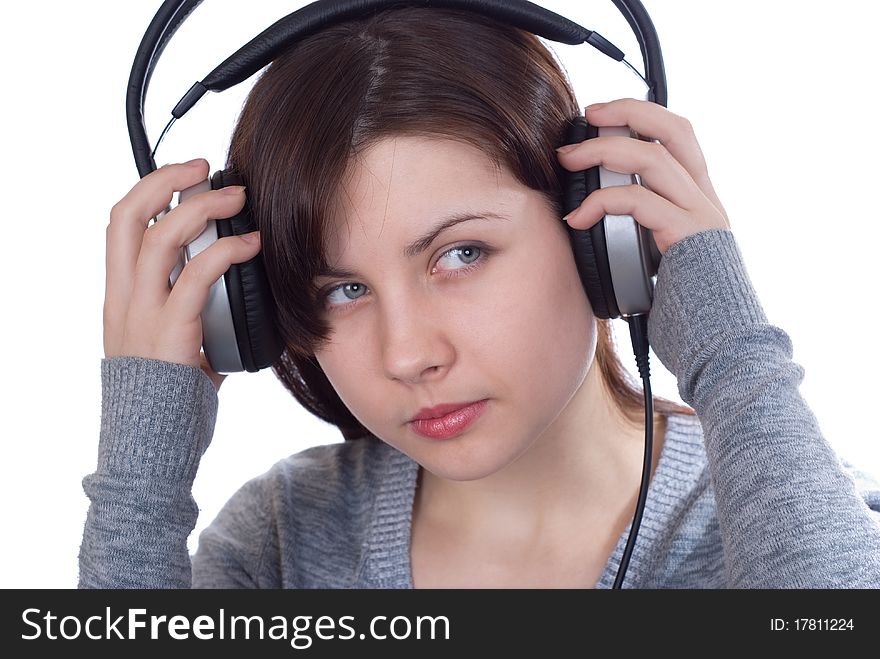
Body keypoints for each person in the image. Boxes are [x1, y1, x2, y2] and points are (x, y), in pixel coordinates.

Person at [80, 7, 880, 589]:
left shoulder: (801, 512)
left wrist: (729, 349)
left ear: (603, 232)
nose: (408, 354)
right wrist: (142, 468)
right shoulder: (283, 543)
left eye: (460, 254)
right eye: (346, 288)